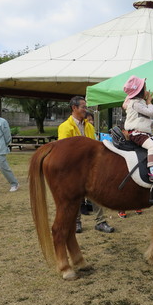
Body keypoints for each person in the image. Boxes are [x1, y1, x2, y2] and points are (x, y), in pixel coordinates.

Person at [58, 96, 115, 234]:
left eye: (85, 106)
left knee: (96, 194)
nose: (85, 109)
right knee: (76, 196)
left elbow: (95, 146)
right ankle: (76, 222)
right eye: (83, 107)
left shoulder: (89, 126)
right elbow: (64, 150)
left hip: (89, 168)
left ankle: (100, 222)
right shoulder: (64, 127)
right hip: (74, 169)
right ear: (74, 108)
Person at [122, 75, 153, 182]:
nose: (147, 90)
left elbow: (141, 120)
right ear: (139, 91)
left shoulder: (137, 103)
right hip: (137, 134)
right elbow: (151, 113)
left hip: (139, 132)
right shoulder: (135, 103)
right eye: (144, 88)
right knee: (152, 146)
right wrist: (149, 102)